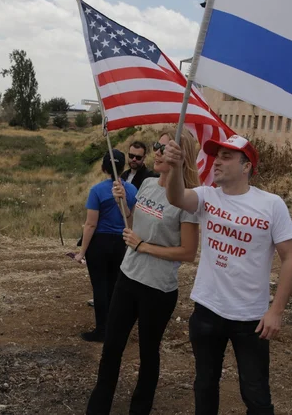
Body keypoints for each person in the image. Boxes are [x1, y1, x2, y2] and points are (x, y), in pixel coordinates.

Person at [164, 134, 292, 415]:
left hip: (251, 317)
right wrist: (176, 167)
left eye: (227, 157)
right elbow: (176, 196)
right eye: (217, 156)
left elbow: (290, 258)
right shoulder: (206, 195)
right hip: (207, 310)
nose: (218, 162)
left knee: (256, 394)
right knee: (205, 385)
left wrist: (276, 311)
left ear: (246, 166)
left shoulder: (271, 204)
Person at [86, 128, 200, 415]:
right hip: (128, 277)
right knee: (111, 348)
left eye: (164, 148)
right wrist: (122, 203)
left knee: (148, 355)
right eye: (156, 146)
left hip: (157, 289)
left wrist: (144, 247)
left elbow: (188, 252)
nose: (157, 152)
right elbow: (133, 223)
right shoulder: (148, 184)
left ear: (180, 156)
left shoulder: (187, 200)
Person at [75, 150, 138, 342]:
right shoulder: (132, 190)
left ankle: (101, 330)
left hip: (100, 243)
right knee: (113, 287)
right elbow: (131, 219)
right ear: (123, 167)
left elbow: (91, 224)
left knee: (100, 288)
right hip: (120, 243)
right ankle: (114, 329)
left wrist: (81, 252)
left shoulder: (97, 191)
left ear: (103, 168)